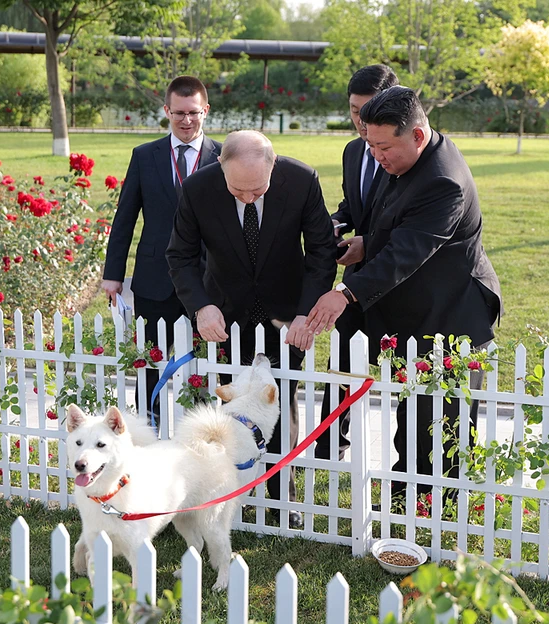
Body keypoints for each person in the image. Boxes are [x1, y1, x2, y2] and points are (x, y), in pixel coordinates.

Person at [305, 86, 502, 504]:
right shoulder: (403, 160)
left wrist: (345, 292)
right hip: (416, 312)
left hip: (451, 317)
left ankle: (431, 508)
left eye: (383, 146)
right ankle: (405, 497)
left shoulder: (443, 181)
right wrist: (363, 246)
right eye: (369, 144)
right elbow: (389, 225)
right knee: (411, 415)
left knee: (437, 422)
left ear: (416, 134)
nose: (376, 155)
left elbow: (407, 252)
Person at [166, 130, 338, 526]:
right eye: (237, 190)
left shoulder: (302, 180)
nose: (247, 197)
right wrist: (201, 307)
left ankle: (283, 499)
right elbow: (180, 254)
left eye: (256, 189)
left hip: (286, 317)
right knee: (233, 408)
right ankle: (230, 494)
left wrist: (306, 312)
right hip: (225, 316)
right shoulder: (198, 189)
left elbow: (321, 252)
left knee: (280, 401)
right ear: (220, 168)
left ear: (273, 166)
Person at [102, 76, 222, 424]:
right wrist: (112, 275)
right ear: (167, 111)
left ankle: (199, 431)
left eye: (194, 113)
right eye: (179, 113)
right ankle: (149, 429)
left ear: (206, 111)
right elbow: (124, 218)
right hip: (155, 280)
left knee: (202, 363)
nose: (187, 121)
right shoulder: (145, 156)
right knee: (149, 363)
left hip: (206, 280)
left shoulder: (224, 155)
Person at [314, 64, 399, 462]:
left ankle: (407, 458)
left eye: (369, 111)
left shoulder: (403, 154)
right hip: (355, 277)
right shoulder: (352, 151)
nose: (362, 123)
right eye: (353, 111)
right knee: (342, 366)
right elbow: (354, 206)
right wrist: (336, 222)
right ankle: (332, 445)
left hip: (400, 278)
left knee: (403, 375)